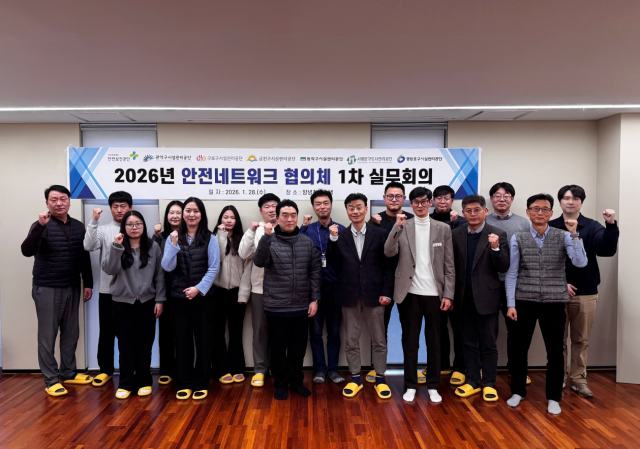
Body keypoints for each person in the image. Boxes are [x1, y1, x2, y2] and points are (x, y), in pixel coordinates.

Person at [505, 193, 587, 415]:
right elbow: (512, 272)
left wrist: (575, 234)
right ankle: (517, 392)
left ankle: (553, 397)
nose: (539, 213)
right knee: (518, 350)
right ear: (528, 212)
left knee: (555, 352)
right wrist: (511, 304)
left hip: (554, 301)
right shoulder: (518, 238)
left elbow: (580, 262)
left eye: (544, 209)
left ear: (551, 213)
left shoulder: (564, 236)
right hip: (524, 300)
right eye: (535, 208)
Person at [21, 185, 94, 397]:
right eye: (54, 200)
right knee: (47, 336)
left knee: (71, 333)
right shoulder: (40, 225)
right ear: (47, 203)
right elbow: (26, 251)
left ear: (69, 201)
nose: (59, 203)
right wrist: (39, 227)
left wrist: (87, 283)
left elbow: (84, 256)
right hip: (47, 287)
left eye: (63, 199)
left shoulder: (78, 226)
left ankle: (69, 373)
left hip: (72, 286)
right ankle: (51, 379)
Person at [384, 187, 455, 403]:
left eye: (424, 201)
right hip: (410, 293)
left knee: (434, 342)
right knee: (410, 342)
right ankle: (410, 385)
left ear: (430, 203)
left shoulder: (443, 229)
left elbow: (449, 265)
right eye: (416, 202)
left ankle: (433, 385)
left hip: (435, 294)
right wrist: (396, 227)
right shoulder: (403, 225)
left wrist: (448, 294)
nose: (420, 205)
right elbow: (388, 251)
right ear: (410, 204)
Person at [548, 185, 619, 398]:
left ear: (581, 202)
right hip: (554, 292)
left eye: (575, 198)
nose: (570, 201)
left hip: (585, 292)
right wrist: (560, 283)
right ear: (560, 202)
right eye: (566, 198)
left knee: (580, 340)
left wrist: (610, 224)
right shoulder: (550, 226)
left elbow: (606, 250)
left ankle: (578, 379)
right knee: (557, 340)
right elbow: (545, 261)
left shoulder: (592, 226)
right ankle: (558, 377)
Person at [327, 193, 393, 399]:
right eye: (351, 208)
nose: (355, 211)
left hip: (375, 295)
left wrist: (386, 292)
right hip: (349, 295)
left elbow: (388, 266)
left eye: (358, 207)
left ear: (366, 209)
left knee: (379, 340)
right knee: (351, 340)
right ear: (347, 211)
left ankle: (380, 378)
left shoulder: (380, 234)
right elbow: (333, 264)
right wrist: (332, 240)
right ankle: (355, 379)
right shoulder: (340, 235)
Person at [254, 199, 321, 400]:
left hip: (301, 306)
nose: (289, 219)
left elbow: (315, 273)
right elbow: (259, 261)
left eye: (293, 215)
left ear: (297, 217)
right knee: (277, 349)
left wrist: (314, 299)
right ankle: (280, 384)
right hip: (276, 306)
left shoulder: (306, 242)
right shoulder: (269, 239)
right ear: (277, 217)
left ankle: (297, 382)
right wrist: (266, 237)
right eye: (285, 215)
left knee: (298, 349)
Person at [451, 195, 509, 402]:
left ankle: (490, 384)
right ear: (463, 213)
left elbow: (503, 266)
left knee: (488, 343)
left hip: (487, 298)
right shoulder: (456, 234)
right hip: (462, 298)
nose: (473, 214)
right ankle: (473, 381)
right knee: (467, 342)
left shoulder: (498, 234)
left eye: (477, 210)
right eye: (468, 211)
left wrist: (495, 248)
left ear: (485, 211)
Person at [102, 211, 165, 399]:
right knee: (125, 344)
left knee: (145, 344)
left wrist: (160, 300)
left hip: (147, 302)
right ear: (124, 227)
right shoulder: (117, 245)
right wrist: (116, 247)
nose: (134, 227)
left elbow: (160, 275)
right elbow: (109, 269)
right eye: (130, 224)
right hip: (122, 303)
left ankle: (144, 381)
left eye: (138, 223)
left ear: (143, 226)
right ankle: (126, 383)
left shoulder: (153, 246)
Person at [162, 197, 220, 400]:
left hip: (203, 298)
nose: (191, 214)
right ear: (183, 214)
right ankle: (184, 383)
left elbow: (214, 268)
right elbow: (167, 266)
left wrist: (198, 289)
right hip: (179, 299)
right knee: (182, 342)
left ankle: (201, 383)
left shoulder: (210, 238)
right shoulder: (173, 237)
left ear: (201, 214)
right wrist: (173, 245)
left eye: (196, 211)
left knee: (204, 342)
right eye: (188, 210)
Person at [368, 182, 416, 382]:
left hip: (408, 282)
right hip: (382, 283)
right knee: (381, 329)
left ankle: (411, 371)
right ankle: (379, 369)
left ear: (404, 199)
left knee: (410, 330)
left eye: (398, 196)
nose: (394, 199)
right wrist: (371, 224)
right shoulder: (375, 220)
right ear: (384, 198)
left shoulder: (412, 220)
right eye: (390, 196)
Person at [83, 191, 132, 387]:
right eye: (115, 206)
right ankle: (105, 370)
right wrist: (94, 220)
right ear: (110, 209)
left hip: (130, 292)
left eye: (123, 206)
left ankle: (129, 369)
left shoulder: (136, 227)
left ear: (130, 208)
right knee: (106, 332)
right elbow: (88, 246)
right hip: (107, 290)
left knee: (128, 334)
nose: (119, 210)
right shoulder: (103, 229)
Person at [485, 182, 531, 384]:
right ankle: (486, 369)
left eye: (506, 196)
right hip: (489, 284)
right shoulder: (483, 221)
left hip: (516, 285)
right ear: (491, 199)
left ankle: (516, 370)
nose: (501, 199)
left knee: (517, 331)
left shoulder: (523, 223)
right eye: (497, 195)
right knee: (487, 330)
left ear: (512, 199)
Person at [300, 189, 346, 384]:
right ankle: (319, 369)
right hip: (313, 289)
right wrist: (302, 226)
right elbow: (297, 248)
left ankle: (333, 370)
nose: (322, 207)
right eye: (318, 204)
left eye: (325, 203)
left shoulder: (342, 229)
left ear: (331, 205)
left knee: (334, 332)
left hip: (336, 288)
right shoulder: (308, 229)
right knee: (316, 332)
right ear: (313, 207)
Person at [238, 193, 281, 388]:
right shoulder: (256, 230)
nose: (271, 209)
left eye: (274, 206)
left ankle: (277, 368)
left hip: (283, 290)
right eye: (267, 206)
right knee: (260, 331)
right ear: (261, 210)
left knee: (280, 331)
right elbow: (243, 254)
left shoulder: (286, 228)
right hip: (259, 288)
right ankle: (260, 369)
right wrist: (251, 230)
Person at [429, 185, 466, 385]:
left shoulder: (462, 222)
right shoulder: (427, 221)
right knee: (437, 328)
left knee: (459, 328)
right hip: (433, 284)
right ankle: (441, 364)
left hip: (457, 283)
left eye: (447, 198)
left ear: (452, 201)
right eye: (439, 198)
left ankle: (459, 367)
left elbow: (460, 250)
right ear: (432, 201)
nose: (442, 201)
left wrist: (455, 225)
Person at [212, 206, 252, 384]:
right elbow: (218, 258)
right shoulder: (213, 238)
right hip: (217, 291)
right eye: (225, 217)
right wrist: (221, 236)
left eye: (232, 217)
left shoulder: (243, 240)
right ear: (220, 219)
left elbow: (247, 270)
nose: (228, 220)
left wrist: (243, 294)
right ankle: (221, 368)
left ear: (237, 221)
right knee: (217, 331)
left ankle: (237, 367)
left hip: (237, 292)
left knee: (236, 331)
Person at [152, 200, 184, 385]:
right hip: (164, 288)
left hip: (184, 290)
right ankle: (166, 369)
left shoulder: (189, 235)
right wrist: (156, 235)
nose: (175, 216)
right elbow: (154, 260)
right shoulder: (161, 236)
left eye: (178, 212)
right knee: (165, 332)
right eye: (172, 212)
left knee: (182, 333)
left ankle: (181, 369)